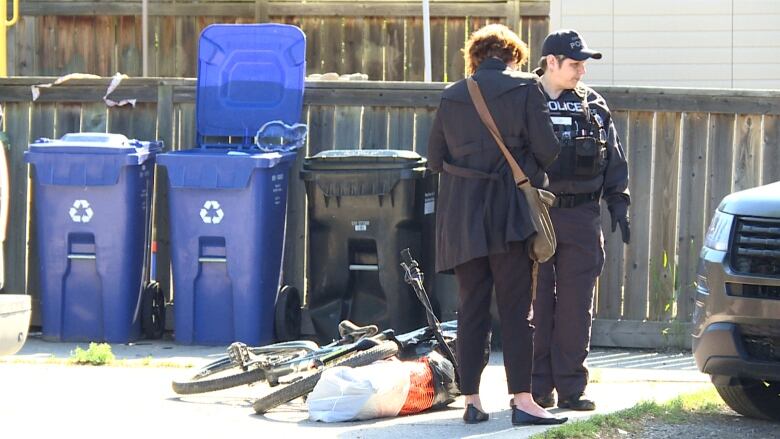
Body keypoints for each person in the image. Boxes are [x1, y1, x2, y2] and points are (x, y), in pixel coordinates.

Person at [427, 24, 566, 426]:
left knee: (470, 309)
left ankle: (471, 400)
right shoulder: (526, 88)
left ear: (476, 56)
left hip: (462, 218)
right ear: (513, 56)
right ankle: (522, 401)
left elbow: (434, 159)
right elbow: (549, 149)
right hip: (509, 216)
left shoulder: (452, 95)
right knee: (516, 309)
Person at [530, 29, 631, 411]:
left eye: (584, 64)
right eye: (575, 64)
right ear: (551, 62)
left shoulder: (594, 104)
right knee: (536, 303)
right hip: (537, 213)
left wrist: (618, 201)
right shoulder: (526, 100)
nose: (581, 71)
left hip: (582, 215)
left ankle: (572, 387)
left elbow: (614, 158)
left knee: (576, 304)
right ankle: (537, 387)